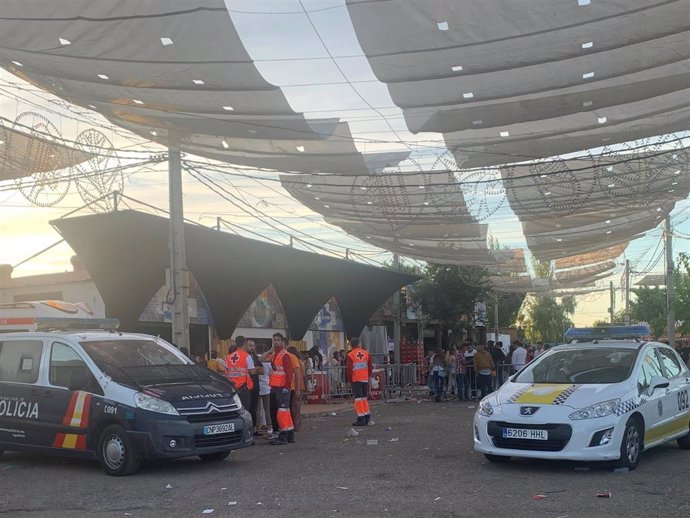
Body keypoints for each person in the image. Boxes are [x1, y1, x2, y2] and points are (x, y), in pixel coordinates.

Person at [262, 332, 294, 445]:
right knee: (285, 412)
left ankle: (283, 437)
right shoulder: (274, 354)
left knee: (282, 412)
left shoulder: (284, 355)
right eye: (274, 340)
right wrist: (269, 351)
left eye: (278, 340)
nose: (275, 342)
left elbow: (289, 373)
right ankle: (290, 435)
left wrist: (287, 387)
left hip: (282, 388)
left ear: (282, 342)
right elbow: (260, 359)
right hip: (275, 387)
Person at [346, 337, 373, 426]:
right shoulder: (366, 353)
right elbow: (370, 367)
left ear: (351, 345)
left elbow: (349, 370)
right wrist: (367, 376)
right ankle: (367, 416)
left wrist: (349, 380)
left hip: (356, 379)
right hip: (364, 379)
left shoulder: (350, 355)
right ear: (359, 344)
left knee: (358, 399)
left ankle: (361, 418)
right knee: (364, 398)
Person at [225, 336, 255, 410]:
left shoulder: (229, 357)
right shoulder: (246, 356)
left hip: (232, 388)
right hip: (243, 388)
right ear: (244, 344)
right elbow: (252, 372)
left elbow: (226, 372)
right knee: (245, 410)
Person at [255, 344, 273, 435]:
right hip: (266, 386)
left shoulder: (255, 359)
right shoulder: (268, 361)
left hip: (257, 387)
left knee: (257, 409)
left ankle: (257, 428)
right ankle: (269, 427)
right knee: (267, 409)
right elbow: (271, 373)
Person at [247, 339, 263, 436]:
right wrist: (254, 369)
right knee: (248, 408)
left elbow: (262, 370)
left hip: (256, 386)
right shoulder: (245, 357)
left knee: (254, 408)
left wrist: (254, 370)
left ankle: (254, 429)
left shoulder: (256, 358)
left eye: (253, 345)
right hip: (247, 387)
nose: (252, 347)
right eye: (250, 345)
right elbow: (251, 371)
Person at [286, 344, 304, 432]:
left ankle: (295, 425)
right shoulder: (300, 361)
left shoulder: (294, 361)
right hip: (300, 385)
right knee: (296, 407)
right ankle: (296, 425)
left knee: (294, 407)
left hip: (296, 386)